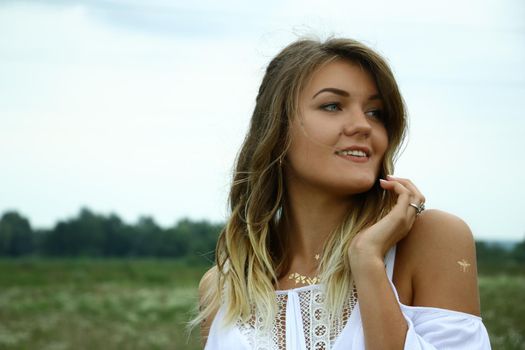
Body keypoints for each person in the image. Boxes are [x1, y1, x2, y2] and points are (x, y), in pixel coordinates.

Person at [192, 37, 491, 349]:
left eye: (376, 112)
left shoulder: (431, 240)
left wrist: (367, 260)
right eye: (332, 106)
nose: (363, 126)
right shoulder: (225, 287)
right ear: (277, 130)